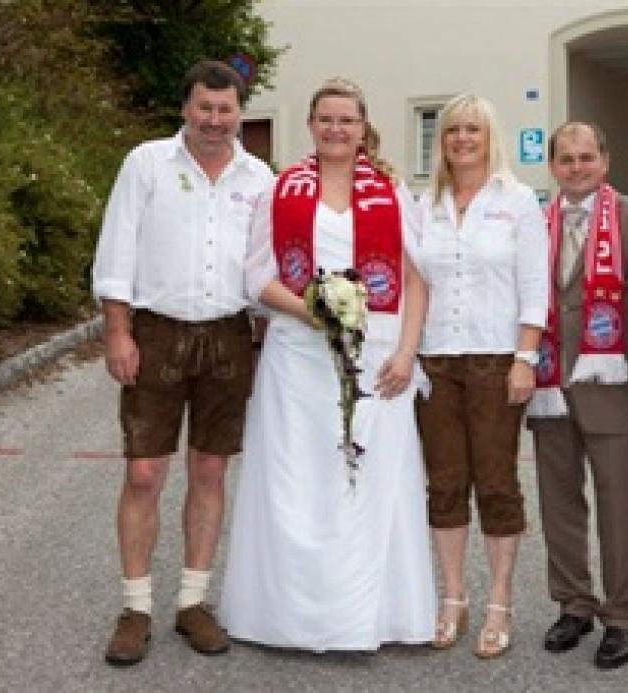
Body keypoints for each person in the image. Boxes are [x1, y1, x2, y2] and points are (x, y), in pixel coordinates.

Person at [219, 77, 436, 651]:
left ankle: (375, 615)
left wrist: (407, 353)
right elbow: (256, 277)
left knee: (372, 479)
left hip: (380, 349)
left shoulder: (391, 191)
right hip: (299, 353)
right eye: (326, 119)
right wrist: (314, 312)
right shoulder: (281, 189)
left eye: (348, 120)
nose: (337, 129)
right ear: (311, 126)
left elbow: (417, 279)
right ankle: (291, 616)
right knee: (300, 477)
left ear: (364, 127)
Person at [92, 59, 274, 666]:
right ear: (185, 109)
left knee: (210, 470)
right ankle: (136, 607)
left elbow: (266, 268)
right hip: (158, 333)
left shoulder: (259, 177)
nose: (215, 120)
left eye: (226, 110)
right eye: (205, 108)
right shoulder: (146, 164)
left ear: (239, 113)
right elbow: (116, 250)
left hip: (228, 334)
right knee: (145, 471)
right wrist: (119, 332)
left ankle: (193, 601)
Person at [411, 93, 550, 659]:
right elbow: (414, 283)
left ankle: (499, 600)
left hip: (496, 360)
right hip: (436, 361)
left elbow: (534, 286)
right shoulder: (428, 204)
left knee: (496, 483)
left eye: (472, 130)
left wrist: (526, 357)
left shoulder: (516, 202)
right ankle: (452, 597)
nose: (462, 140)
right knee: (444, 484)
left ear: (489, 137)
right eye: (451, 132)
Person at [526, 121, 628, 669]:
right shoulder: (534, 222)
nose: (576, 168)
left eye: (585, 157)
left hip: (612, 383)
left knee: (620, 503)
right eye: (565, 159)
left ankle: (623, 615)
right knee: (559, 499)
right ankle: (573, 602)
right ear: (552, 166)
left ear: (605, 159)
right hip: (551, 382)